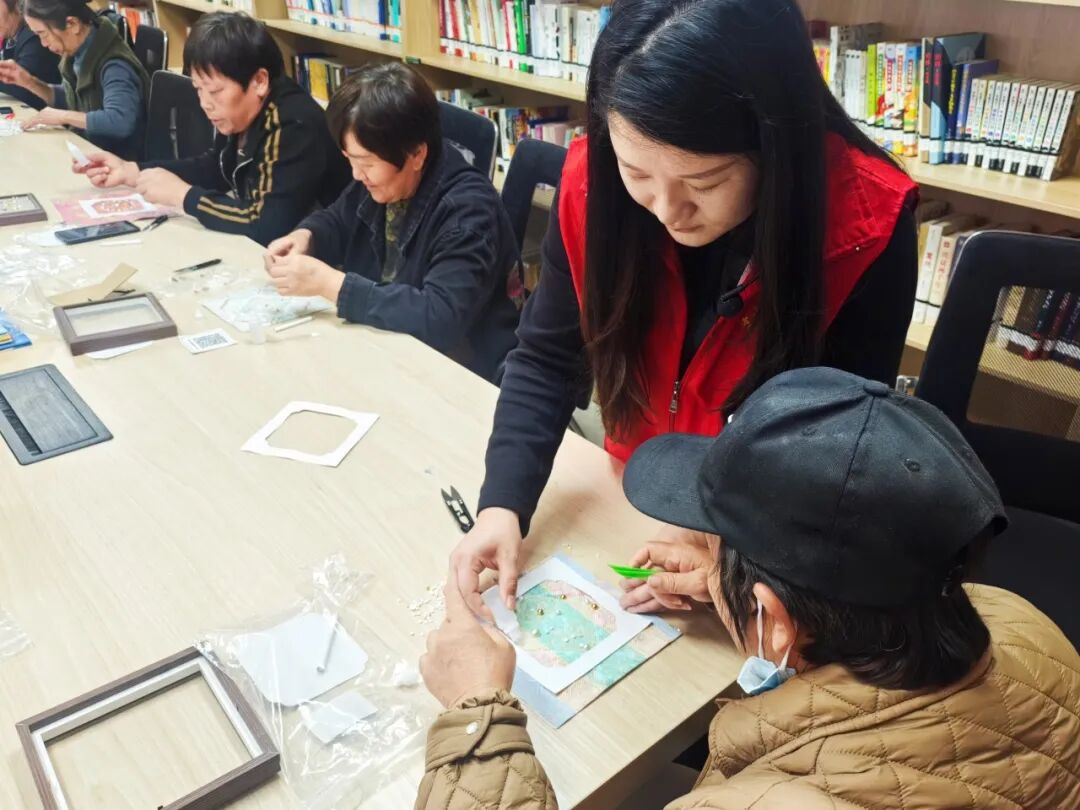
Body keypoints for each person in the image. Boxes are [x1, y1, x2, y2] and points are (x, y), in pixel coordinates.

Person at [417, 367, 1080, 809]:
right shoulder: (1019, 621)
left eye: (714, 544)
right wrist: (735, 588)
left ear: (778, 620)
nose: (704, 553)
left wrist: (478, 715)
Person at [449, 0, 920, 616]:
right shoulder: (594, 182)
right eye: (637, 172)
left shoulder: (864, 229)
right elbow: (546, 357)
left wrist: (731, 557)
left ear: (773, 144)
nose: (668, 210)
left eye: (705, 182)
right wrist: (502, 505)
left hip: (759, 537)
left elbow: (843, 460)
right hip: (629, 494)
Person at [263, 63, 522, 382]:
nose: (357, 174)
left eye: (365, 163)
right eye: (349, 160)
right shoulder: (383, 176)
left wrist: (330, 284)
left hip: (459, 372)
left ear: (416, 155)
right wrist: (307, 236)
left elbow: (439, 319)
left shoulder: (468, 213)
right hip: (388, 349)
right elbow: (339, 219)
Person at [74, 12, 348, 247]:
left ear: (259, 81)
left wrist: (183, 196)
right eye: (198, 89)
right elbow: (216, 168)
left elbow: (265, 225)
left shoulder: (291, 124)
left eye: (215, 91)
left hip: (323, 261)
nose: (205, 103)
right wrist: (132, 171)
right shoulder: (242, 112)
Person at [0, 0, 145, 158]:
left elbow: (120, 121)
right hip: (89, 150)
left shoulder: (115, 65)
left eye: (43, 34)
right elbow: (72, 98)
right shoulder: (79, 52)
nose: (43, 43)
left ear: (72, 24)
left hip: (116, 160)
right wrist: (29, 82)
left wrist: (62, 116)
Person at [0, 0, 60, 110]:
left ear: (16, 6)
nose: (45, 43)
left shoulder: (34, 35)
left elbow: (21, 86)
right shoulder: (10, 36)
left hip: (49, 111)